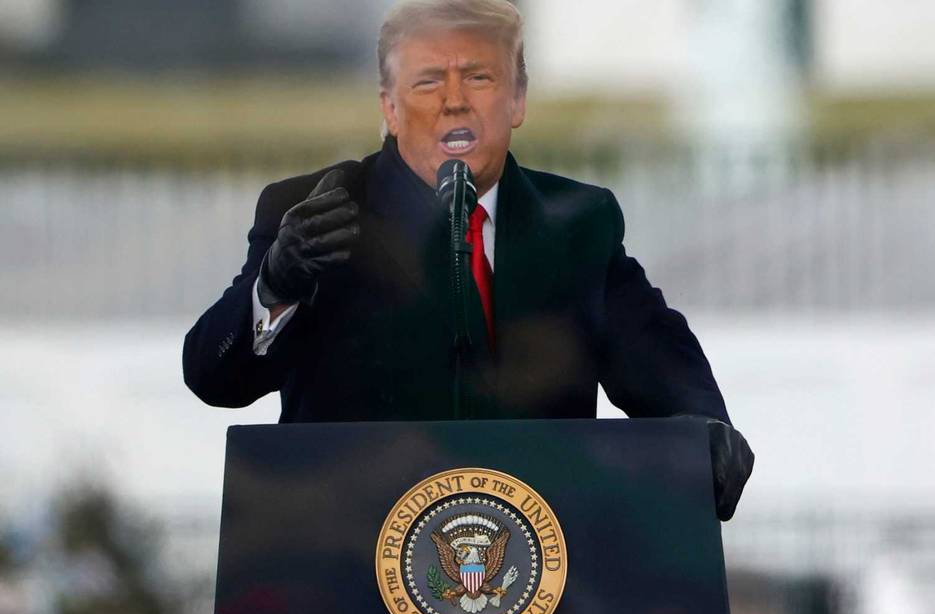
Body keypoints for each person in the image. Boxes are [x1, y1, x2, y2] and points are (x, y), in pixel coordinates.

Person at [182, 0, 752, 520]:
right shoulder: (310, 211)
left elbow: (656, 354)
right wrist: (275, 284)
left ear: (518, 99)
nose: (455, 100)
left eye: (479, 77)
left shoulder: (579, 221)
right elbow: (213, 375)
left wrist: (704, 427)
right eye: (428, 81)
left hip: (540, 572)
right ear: (390, 107)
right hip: (347, 563)